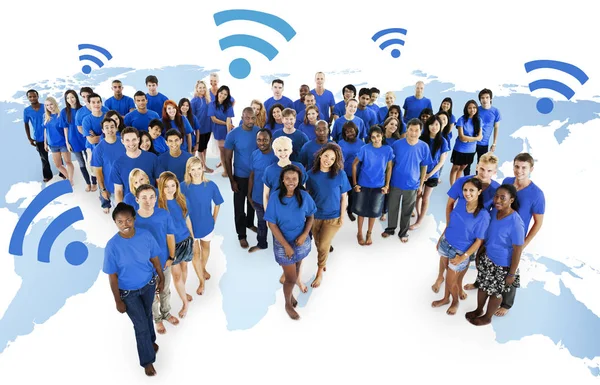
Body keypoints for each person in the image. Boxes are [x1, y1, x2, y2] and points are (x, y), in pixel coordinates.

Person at [102, 202, 165, 376]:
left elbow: (155, 259)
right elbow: (112, 276)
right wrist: (118, 300)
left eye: (128, 220)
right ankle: (147, 361)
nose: (125, 225)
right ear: (115, 223)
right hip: (128, 293)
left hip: (148, 285)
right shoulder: (112, 246)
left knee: (147, 316)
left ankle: (150, 342)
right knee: (141, 326)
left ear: (134, 219)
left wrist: (162, 278)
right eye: (120, 222)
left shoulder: (145, 236)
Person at [435, 153, 500, 295]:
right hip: (455, 230)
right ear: (477, 166)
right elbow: (450, 204)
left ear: (495, 172)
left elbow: (493, 216)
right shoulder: (463, 182)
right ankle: (440, 276)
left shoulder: (496, 190)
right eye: (482, 169)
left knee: (465, 260)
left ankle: (458, 283)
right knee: (444, 255)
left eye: (489, 171)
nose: (484, 173)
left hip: (473, 234)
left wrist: (482, 239)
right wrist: (448, 226)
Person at [466, 184, 525, 326]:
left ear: (511, 200)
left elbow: (518, 251)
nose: (497, 200)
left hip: (503, 265)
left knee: (495, 293)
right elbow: (489, 234)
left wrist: (511, 274)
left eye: (503, 198)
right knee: (482, 286)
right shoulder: (493, 212)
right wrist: (481, 251)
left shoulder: (516, 223)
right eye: (496, 196)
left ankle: (487, 317)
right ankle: (479, 309)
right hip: (488, 257)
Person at [495, 152, 545, 316]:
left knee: (511, 269)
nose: (519, 170)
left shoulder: (537, 194)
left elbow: (538, 223)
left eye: (524, 167)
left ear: (531, 168)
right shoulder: (507, 182)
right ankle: (487, 285)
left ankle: (507, 303)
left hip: (514, 239)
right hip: (498, 232)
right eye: (517, 166)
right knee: (492, 260)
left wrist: (523, 243)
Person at [264, 164, 316, 320]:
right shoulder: (275, 197)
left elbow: (311, 216)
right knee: (291, 278)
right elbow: (271, 224)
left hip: (301, 241)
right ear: (282, 180)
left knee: (298, 265)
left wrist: (304, 235)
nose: (291, 181)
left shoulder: (304, 196)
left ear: (299, 179)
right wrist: (286, 245)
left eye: (294, 178)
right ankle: (287, 303)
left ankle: (292, 296)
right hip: (283, 243)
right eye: (287, 178)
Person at [432, 178, 490, 315]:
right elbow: (452, 223)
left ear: (479, 192)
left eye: (472, 190)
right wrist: (442, 237)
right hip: (446, 243)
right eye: (465, 190)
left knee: (451, 280)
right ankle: (446, 298)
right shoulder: (461, 202)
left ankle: (454, 301)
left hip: (460, 252)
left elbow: (478, 241)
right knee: (448, 277)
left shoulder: (483, 215)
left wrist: (462, 257)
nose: (467, 193)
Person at [134, 184, 178, 335]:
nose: (148, 201)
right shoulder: (133, 219)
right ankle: (157, 319)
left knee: (165, 290)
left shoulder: (164, 215)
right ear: (137, 199)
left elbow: (170, 236)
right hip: (145, 267)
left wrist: (172, 257)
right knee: (151, 295)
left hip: (164, 262)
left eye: (152, 197)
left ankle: (166, 312)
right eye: (144, 197)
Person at [306, 143, 350, 288]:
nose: (328, 160)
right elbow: (307, 195)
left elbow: (344, 197)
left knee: (323, 245)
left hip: (333, 217)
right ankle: (323, 259)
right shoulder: (310, 175)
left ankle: (320, 271)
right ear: (320, 155)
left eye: (332, 158)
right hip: (315, 216)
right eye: (326, 156)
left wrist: (342, 217)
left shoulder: (340, 174)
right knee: (318, 243)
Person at [382, 119, 432, 243]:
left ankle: (403, 232)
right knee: (392, 208)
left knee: (407, 210)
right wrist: (387, 183)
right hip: (395, 183)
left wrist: (421, 185)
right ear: (407, 130)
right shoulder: (397, 145)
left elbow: (424, 166)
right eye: (411, 130)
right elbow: (390, 166)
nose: (413, 133)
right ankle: (390, 229)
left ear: (420, 132)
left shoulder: (424, 147)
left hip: (412, 185)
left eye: (416, 130)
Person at [181, 157, 224, 295]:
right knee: (195, 253)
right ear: (188, 170)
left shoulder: (211, 185)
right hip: (190, 227)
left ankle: (202, 267)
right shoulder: (182, 187)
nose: (196, 172)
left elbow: (218, 203)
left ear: (202, 168)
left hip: (206, 225)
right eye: (192, 169)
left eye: (199, 168)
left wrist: (213, 219)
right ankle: (201, 281)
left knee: (205, 248)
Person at [157, 171, 196, 318]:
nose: (170, 189)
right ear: (161, 187)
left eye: (173, 185)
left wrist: (192, 239)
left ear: (177, 186)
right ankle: (185, 303)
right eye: (166, 186)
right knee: (177, 275)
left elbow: (187, 220)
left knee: (185, 267)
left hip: (186, 240)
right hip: (171, 245)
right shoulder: (159, 205)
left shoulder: (182, 199)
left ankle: (183, 291)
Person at [224, 107, 260, 249]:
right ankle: (242, 235)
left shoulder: (258, 132)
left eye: (252, 118)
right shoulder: (233, 134)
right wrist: (232, 180)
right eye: (247, 118)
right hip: (240, 176)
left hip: (256, 175)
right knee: (239, 207)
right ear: (242, 117)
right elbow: (227, 159)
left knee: (253, 203)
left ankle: (250, 223)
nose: (250, 121)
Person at [352, 125, 394, 246]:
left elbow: (389, 168)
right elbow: (354, 165)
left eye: (378, 136)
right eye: (373, 137)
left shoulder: (388, 150)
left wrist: (387, 185)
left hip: (378, 186)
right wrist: (355, 184)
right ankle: (359, 233)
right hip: (363, 184)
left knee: (373, 212)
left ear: (382, 136)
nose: (376, 139)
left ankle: (369, 233)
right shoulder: (365, 149)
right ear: (370, 138)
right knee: (360, 211)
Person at [411, 115, 450, 230]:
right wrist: (421, 174)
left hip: (432, 174)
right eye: (432, 124)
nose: (434, 127)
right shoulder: (422, 138)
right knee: (417, 195)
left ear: (440, 126)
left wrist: (430, 174)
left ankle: (419, 221)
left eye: (437, 124)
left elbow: (442, 161)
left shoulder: (442, 141)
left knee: (425, 197)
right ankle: (418, 213)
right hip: (418, 173)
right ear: (427, 126)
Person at [248, 129, 278, 252]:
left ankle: (279, 247)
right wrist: (249, 194)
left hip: (274, 198)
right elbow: (252, 175)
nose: (262, 143)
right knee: (261, 222)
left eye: (265, 140)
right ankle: (261, 243)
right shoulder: (254, 154)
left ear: (270, 140)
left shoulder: (276, 156)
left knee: (276, 224)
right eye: (259, 140)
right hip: (258, 196)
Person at [112, 127, 159, 203]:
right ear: (122, 141)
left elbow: (159, 182)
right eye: (127, 140)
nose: (131, 143)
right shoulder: (117, 164)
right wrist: (120, 210)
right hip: (131, 206)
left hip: (152, 204)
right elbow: (118, 191)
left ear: (138, 140)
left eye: (134, 139)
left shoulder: (152, 158)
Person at [91, 118, 126, 213]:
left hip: (127, 184)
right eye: (107, 127)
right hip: (112, 187)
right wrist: (103, 190)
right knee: (121, 211)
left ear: (116, 128)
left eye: (112, 127)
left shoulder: (124, 142)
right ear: (103, 130)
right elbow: (98, 171)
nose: (110, 129)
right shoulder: (98, 149)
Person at [464, 88, 502, 175]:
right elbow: (468, 122)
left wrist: (494, 143)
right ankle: (466, 180)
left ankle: (477, 183)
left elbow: (496, 128)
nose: (485, 100)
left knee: (481, 165)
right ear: (480, 99)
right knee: (467, 164)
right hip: (472, 142)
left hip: (484, 143)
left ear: (490, 99)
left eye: (487, 97)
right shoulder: (476, 109)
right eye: (482, 98)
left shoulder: (496, 112)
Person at [61, 90, 92, 191]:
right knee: (81, 163)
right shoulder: (64, 112)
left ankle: (94, 182)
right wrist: (67, 142)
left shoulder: (83, 109)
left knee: (90, 162)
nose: (71, 100)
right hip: (73, 140)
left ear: (76, 97)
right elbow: (65, 128)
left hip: (85, 139)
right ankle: (88, 183)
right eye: (68, 98)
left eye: (72, 97)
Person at [24, 89, 57, 182]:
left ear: (37, 96)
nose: (32, 98)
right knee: (44, 158)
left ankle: (62, 172)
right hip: (38, 137)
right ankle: (48, 175)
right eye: (30, 97)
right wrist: (29, 138)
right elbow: (26, 124)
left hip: (52, 134)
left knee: (57, 154)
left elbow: (54, 116)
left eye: (34, 96)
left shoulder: (45, 106)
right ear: (28, 98)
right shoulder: (26, 111)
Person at [449, 100, 483, 184]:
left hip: (471, 150)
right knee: (455, 168)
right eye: (470, 108)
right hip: (460, 149)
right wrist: (474, 138)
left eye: (474, 107)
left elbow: (480, 137)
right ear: (466, 109)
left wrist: (468, 139)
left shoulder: (479, 120)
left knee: (462, 168)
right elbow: (461, 137)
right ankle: (452, 188)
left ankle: (457, 185)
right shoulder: (462, 119)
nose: (472, 110)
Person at [43, 96, 74, 185]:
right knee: (58, 165)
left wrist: (67, 142)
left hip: (63, 144)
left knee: (68, 162)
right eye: (47, 105)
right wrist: (45, 143)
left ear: (55, 104)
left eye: (51, 104)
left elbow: (65, 129)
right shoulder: (45, 117)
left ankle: (70, 180)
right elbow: (45, 130)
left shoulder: (61, 115)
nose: (49, 107)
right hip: (52, 145)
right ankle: (68, 177)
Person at [338, 121, 364, 221]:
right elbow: (339, 160)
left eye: (352, 131)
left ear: (356, 131)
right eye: (347, 132)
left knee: (353, 194)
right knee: (343, 194)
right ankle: (340, 211)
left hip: (357, 173)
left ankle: (350, 211)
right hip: (344, 173)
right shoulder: (341, 143)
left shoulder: (361, 143)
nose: (350, 133)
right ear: (344, 133)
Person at [208, 85, 234, 177]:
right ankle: (225, 170)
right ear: (218, 93)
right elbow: (213, 119)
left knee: (228, 151)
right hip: (218, 130)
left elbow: (228, 119)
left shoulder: (229, 105)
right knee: (222, 151)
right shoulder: (212, 104)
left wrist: (229, 133)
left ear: (227, 96)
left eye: (225, 94)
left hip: (227, 130)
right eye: (221, 93)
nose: (222, 95)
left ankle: (229, 170)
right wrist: (226, 124)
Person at [191, 80, 213, 172]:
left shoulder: (207, 99)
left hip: (208, 127)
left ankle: (204, 164)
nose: (202, 89)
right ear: (196, 89)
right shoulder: (194, 101)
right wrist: (194, 129)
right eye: (200, 87)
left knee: (204, 147)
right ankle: (203, 166)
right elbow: (191, 116)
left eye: (204, 87)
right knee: (200, 149)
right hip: (200, 129)